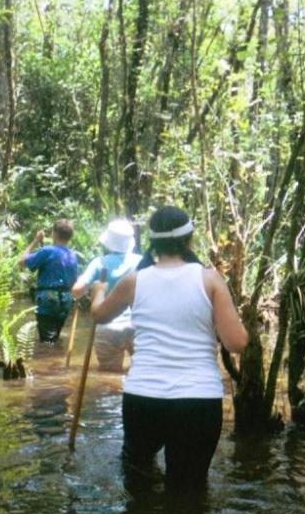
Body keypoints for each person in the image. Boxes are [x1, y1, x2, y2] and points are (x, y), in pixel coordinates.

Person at [90, 206, 248, 493]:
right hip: (198, 402)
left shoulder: (134, 281)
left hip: (143, 399)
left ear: (153, 243)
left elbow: (99, 315)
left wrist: (98, 290)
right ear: (189, 240)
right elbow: (237, 343)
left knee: (138, 485)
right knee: (189, 492)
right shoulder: (210, 280)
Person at [71, 219, 142, 371]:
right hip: (138, 327)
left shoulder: (99, 263)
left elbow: (77, 291)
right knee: (142, 374)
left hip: (107, 326)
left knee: (109, 379)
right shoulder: (142, 262)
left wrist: (83, 282)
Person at [21, 218, 79, 344]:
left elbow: (22, 262)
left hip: (48, 299)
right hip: (65, 299)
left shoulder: (47, 251)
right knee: (54, 338)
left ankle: (49, 362)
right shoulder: (72, 255)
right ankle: (57, 359)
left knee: (47, 342)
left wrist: (35, 241)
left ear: (54, 233)